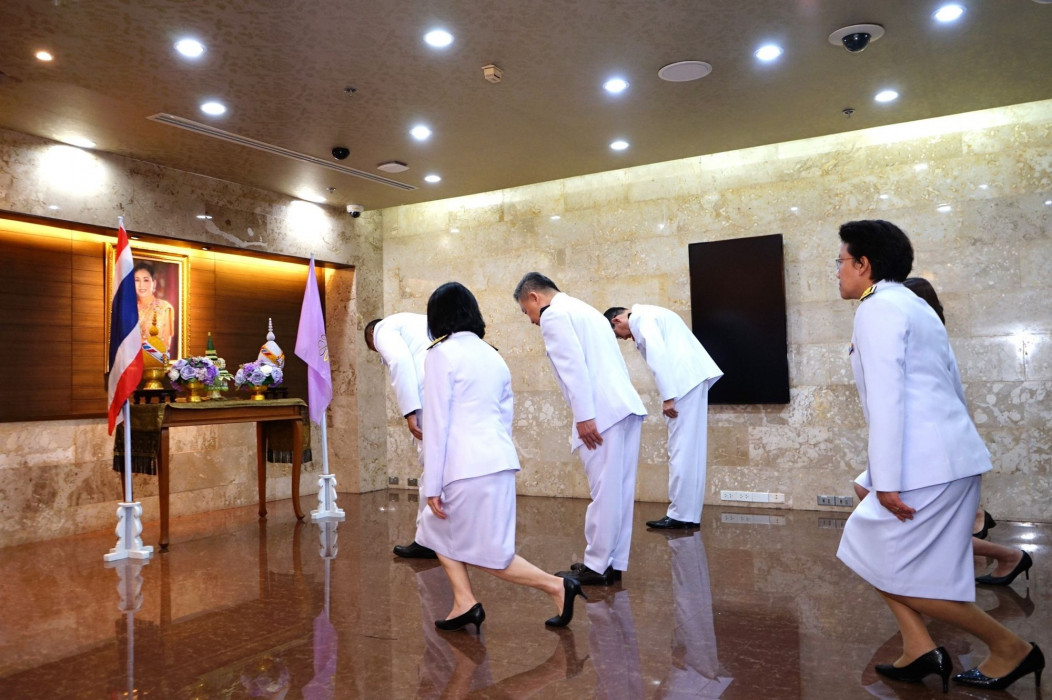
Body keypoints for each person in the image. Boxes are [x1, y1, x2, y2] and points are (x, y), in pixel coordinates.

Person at [833, 219, 1042, 692]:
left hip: (923, 465)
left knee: (873, 552)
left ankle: (1011, 648)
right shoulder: (914, 305)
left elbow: (887, 399)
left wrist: (886, 480)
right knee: (887, 558)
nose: (837, 271)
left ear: (863, 264)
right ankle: (918, 647)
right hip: (948, 459)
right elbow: (951, 388)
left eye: (841, 261)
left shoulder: (877, 308)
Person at [416, 282, 584, 631]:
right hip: (498, 461)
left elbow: (437, 422)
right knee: (433, 529)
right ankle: (464, 602)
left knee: (490, 554)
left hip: (465, 468)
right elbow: (506, 415)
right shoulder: (493, 355)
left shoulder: (440, 354)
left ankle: (557, 586)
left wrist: (432, 484)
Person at [852, 276, 1034, 588]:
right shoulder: (917, 336)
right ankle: (999, 548)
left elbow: (935, 398)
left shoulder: (926, 340)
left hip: (927, 451)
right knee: (898, 520)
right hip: (921, 450)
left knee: (913, 535)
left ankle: (1002, 554)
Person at [513, 273, 647, 586]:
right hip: (624, 407)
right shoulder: (586, 310)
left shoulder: (554, 315)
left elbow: (573, 368)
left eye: (526, 311)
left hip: (601, 414)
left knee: (604, 491)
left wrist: (585, 417)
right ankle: (612, 562)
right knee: (619, 490)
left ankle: (597, 565)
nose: (531, 319)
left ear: (534, 297)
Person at [604, 304, 723, 529]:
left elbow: (658, 356)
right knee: (691, 451)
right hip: (692, 380)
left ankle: (680, 515)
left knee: (680, 450)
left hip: (682, 385)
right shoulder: (652, 313)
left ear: (616, 321)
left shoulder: (642, 319)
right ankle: (688, 514)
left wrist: (668, 397)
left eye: (620, 335)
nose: (626, 339)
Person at [364, 313, 435, 559]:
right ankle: (449, 536)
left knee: (432, 466)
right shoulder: (417, 321)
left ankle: (428, 541)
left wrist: (409, 412)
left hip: (428, 394)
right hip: (450, 390)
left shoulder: (383, 329)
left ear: (371, 336)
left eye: (376, 350)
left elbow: (400, 362)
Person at [133, 261, 174, 351]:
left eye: (146, 280)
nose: (141, 285)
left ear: (154, 283)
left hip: (155, 358)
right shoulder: (128, 309)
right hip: (129, 358)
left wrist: (138, 341)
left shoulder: (164, 308)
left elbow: (165, 345)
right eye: (137, 280)